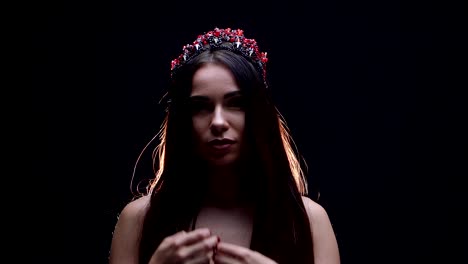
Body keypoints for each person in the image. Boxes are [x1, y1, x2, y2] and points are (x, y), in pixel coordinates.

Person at [109, 27, 340, 264]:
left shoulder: (309, 221)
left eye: (236, 103)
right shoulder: (137, 220)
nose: (218, 122)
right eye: (200, 106)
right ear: (182, 120)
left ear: (259, 114)